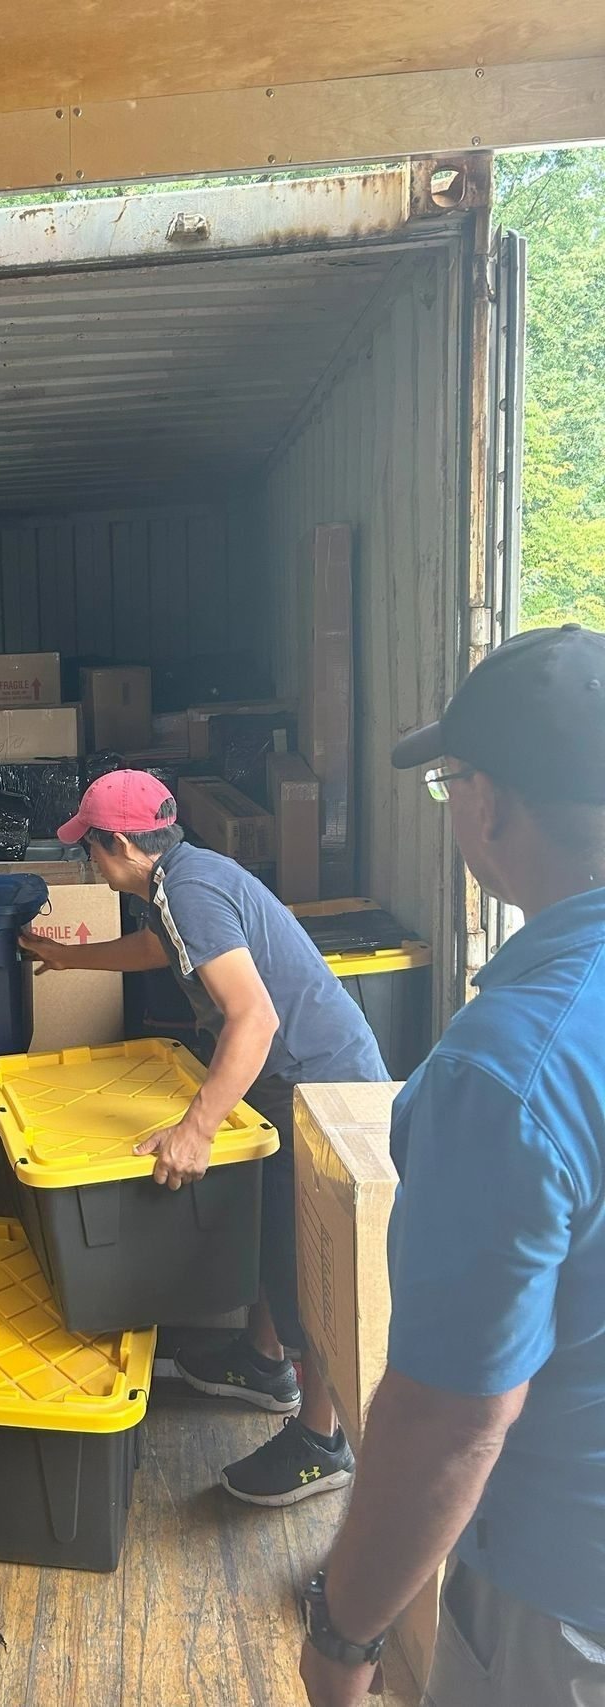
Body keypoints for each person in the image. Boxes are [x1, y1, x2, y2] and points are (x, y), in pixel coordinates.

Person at [299, 625, 605, 1707]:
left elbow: (452, 1419)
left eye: (449, 781)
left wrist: (342, 1632)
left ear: (489, 805)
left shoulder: (507, 1070)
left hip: (561, 1604)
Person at [20, 770, 389, 1505]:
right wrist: (70, 957)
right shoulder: (182, 880)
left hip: (319, 1086)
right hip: (295, 1078)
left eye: (90, 847)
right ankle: (262, 1361)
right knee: (266, 1228)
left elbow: (254, 1019)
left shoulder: (186, 890)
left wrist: (196, 1128)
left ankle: (323, 1442)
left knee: (299, 1259)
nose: (89, 860)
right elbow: (161, 952)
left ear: (120, 843)